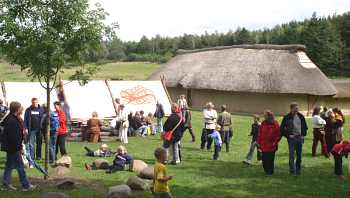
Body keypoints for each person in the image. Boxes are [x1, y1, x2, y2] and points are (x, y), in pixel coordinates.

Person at [1, 101, 36, 191]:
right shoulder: (12, 120)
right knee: (20, 167)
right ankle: (26, 186)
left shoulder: (13, 118)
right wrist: (20, 148)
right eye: (20, 107)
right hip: (14, 147)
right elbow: (14, 137)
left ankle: (6, 184)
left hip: (12, 147)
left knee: (9, 165)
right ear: (17, 109)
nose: (22, 109)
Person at [280, 102, 308, 175]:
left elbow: (305, 127)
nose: (297, 110)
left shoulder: (301, 116)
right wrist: (288, 135)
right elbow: (282, 129)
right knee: (292, 156)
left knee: (299, 156)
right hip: (292, 139)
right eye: (295, 109)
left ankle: (298, 170)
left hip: (299, 138)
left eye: (298, 108)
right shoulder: (287, 117)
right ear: (291, 109)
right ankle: (292, 171)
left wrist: (303, 135)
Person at [257, 110, 281, 175]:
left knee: (270, 159)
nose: (264, 117)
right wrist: (258, 142)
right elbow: (260, 133)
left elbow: (278, 134)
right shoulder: (263, 123)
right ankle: (266, 171)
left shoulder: (275, 123)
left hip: (272, 145)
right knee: (264, 159)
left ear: (269, 116)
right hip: (263, 144)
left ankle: (270, 171)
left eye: (265, 115)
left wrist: (275, 142)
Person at [24, 98, 44, 163]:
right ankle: (32, 157)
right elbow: (25, 120)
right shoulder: (28, 110)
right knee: (31, 144)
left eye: (35, 102)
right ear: (31, 103)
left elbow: (44, 118)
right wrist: (25, 128)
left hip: (39, 130)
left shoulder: (41, 109)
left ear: (38, 102)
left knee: (39, 143)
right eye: (33, 102)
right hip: (31, 129)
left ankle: (38, 156)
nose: (34, 104)